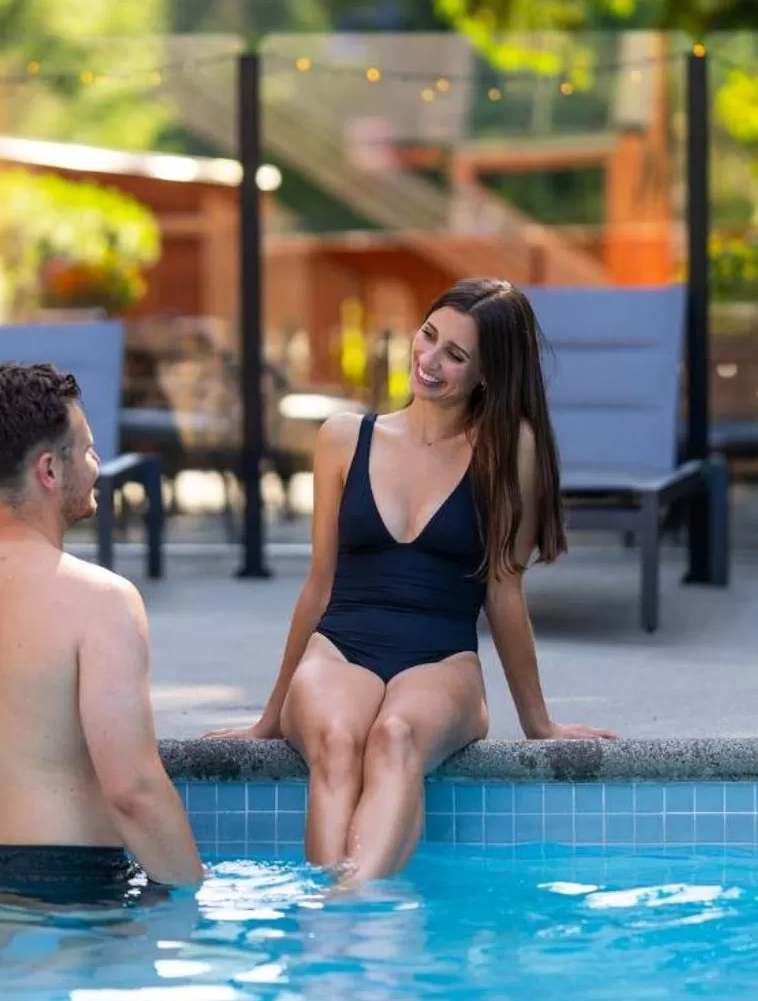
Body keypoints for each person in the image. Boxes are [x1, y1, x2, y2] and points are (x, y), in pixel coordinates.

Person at [208, 277, 615, 884]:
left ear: (488, 375)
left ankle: (341, 913)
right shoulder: (344, 438)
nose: (428, 361)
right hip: (340, 645)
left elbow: (504, 590)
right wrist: (270, 716)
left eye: (455, 356)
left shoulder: (509, 450)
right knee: (339, 742)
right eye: (428, 336)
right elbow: (320, 583)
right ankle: (344, 917)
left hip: (441, 656)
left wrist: (540, 723)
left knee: (394, 737)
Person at [0, 361, 205, 904]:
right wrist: (198, 904)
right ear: (49, 470)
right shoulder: (102, 602)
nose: (97, 465)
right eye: (89, 449)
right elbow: (133, 790)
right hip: (69, 889)